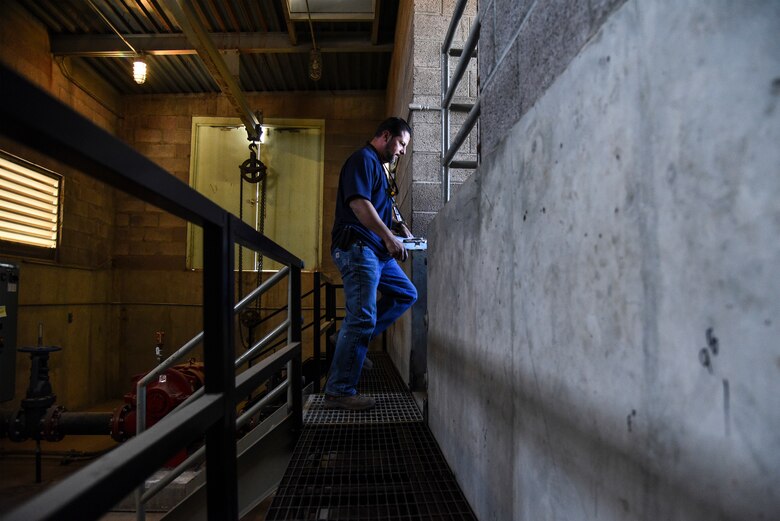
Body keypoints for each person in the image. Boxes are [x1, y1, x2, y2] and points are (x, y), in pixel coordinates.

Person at [324, 117, 418, 410]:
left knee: (406, 293)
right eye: (401, 144)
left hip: (375, 251)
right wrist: (389, 237)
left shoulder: (380, 168)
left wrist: (399, 227)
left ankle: (345, 337)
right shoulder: (362, 159)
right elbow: (359, 205)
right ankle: (339, 391)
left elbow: (381, 207)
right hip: (358, 247)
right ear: (386, 136)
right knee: (362, 316)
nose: (402, 150)